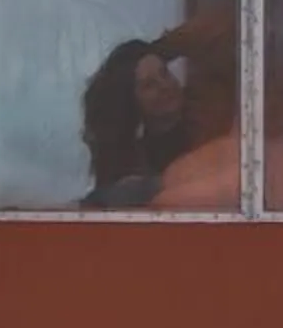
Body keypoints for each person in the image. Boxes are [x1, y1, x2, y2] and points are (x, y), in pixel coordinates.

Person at [80, 13, 235, 205]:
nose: (164, 85)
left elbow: (229, 30)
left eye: (165, 72)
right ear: (132, 101)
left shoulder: (208, 105)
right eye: (149, 85)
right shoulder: (131, 164)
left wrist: (161, 49)